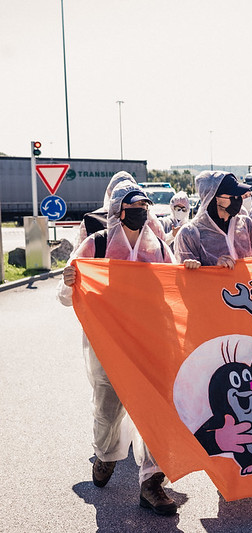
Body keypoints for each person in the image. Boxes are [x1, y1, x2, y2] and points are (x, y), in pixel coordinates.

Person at [58, 182, 178, 516]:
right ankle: (106, 455)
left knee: (157, 411)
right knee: (108, 409)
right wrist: (69, 281)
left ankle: (152, 483)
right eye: (133, 206)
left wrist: (192, 273)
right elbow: (67, 294)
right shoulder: (96, 245)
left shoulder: (159, 248)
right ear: (118, 211)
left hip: (151, 343)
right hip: (108, 346)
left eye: (145, 206)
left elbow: (177, 285)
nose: (141, 212)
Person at [175, 171, 252, 268]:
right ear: (214, 198)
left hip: (246, 283)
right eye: (233, 196)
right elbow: (187, 278)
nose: (238, 199)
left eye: (238, 196)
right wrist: (215, 269)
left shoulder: (245, 224)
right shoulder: (190, 234)